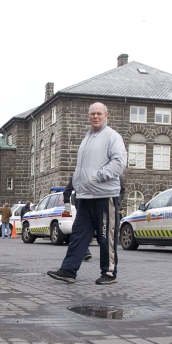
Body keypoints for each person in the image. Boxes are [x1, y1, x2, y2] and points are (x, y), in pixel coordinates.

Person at [47, 102, 126, 285]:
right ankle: (68, 270)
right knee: (78, 235)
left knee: (106, 237)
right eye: (92, 114)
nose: (95, 117)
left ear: (107, 115)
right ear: (88, 116)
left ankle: (109, 273)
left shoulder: (112, 136)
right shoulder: (87, 138)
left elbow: (119, 162)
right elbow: (81, 167)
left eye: (99, 113)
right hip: (85, 197)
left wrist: (98, 176)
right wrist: (76, 184)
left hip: (104, 196)